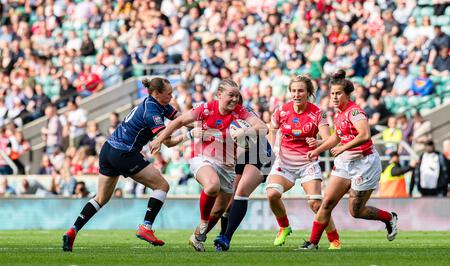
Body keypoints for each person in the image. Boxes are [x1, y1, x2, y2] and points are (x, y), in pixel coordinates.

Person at [62, 77, 184, 252]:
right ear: (157, 93)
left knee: (101, 198)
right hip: (124, 153)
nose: (172, 97)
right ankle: (146, 227)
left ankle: (72, 231)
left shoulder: (156, 103)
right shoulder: (152, 112)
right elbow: (169, 142)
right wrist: (190, 136)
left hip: (108, 150)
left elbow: (180, 118)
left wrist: (202, 122)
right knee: (162, 186)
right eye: (169, 94)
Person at [150, 78, 268, 252]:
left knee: (219, 210)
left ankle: (197, 236)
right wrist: (159, 139)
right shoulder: (205, 109)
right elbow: (178, 122)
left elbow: (263, 127)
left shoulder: (240, 112)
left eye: (237, 96)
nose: (235, 99)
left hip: (228, 166)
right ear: (219, 95)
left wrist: (246, 131)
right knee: (212, 186)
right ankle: (204, 222)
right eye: (231, 95)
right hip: (204, 158)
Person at [300, 70, 398, 250]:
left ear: (347, 95)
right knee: (327, 202)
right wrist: (318, 148)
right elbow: (336, 137)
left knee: (356, 211)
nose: (335, 97)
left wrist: (342, 148)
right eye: (332, 94)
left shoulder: (355, 112)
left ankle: (389, 218)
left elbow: (365, 135)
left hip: (365, 164)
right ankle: (312, 243)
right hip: (345, 163)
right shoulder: (338, 114)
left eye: (338, 93)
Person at [262, 75, 341, 250]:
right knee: (272, 194)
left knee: (316, 204)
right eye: (294, 91)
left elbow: (328, 139)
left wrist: (318, 143)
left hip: (308, 163)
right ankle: (284, 226)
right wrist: (274, 148)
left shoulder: (317, 113)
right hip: (285, 163)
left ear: (308, 93)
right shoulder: (281, 111)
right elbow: (272, 129)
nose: (296, 94)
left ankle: (334, 239)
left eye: (301, 91)